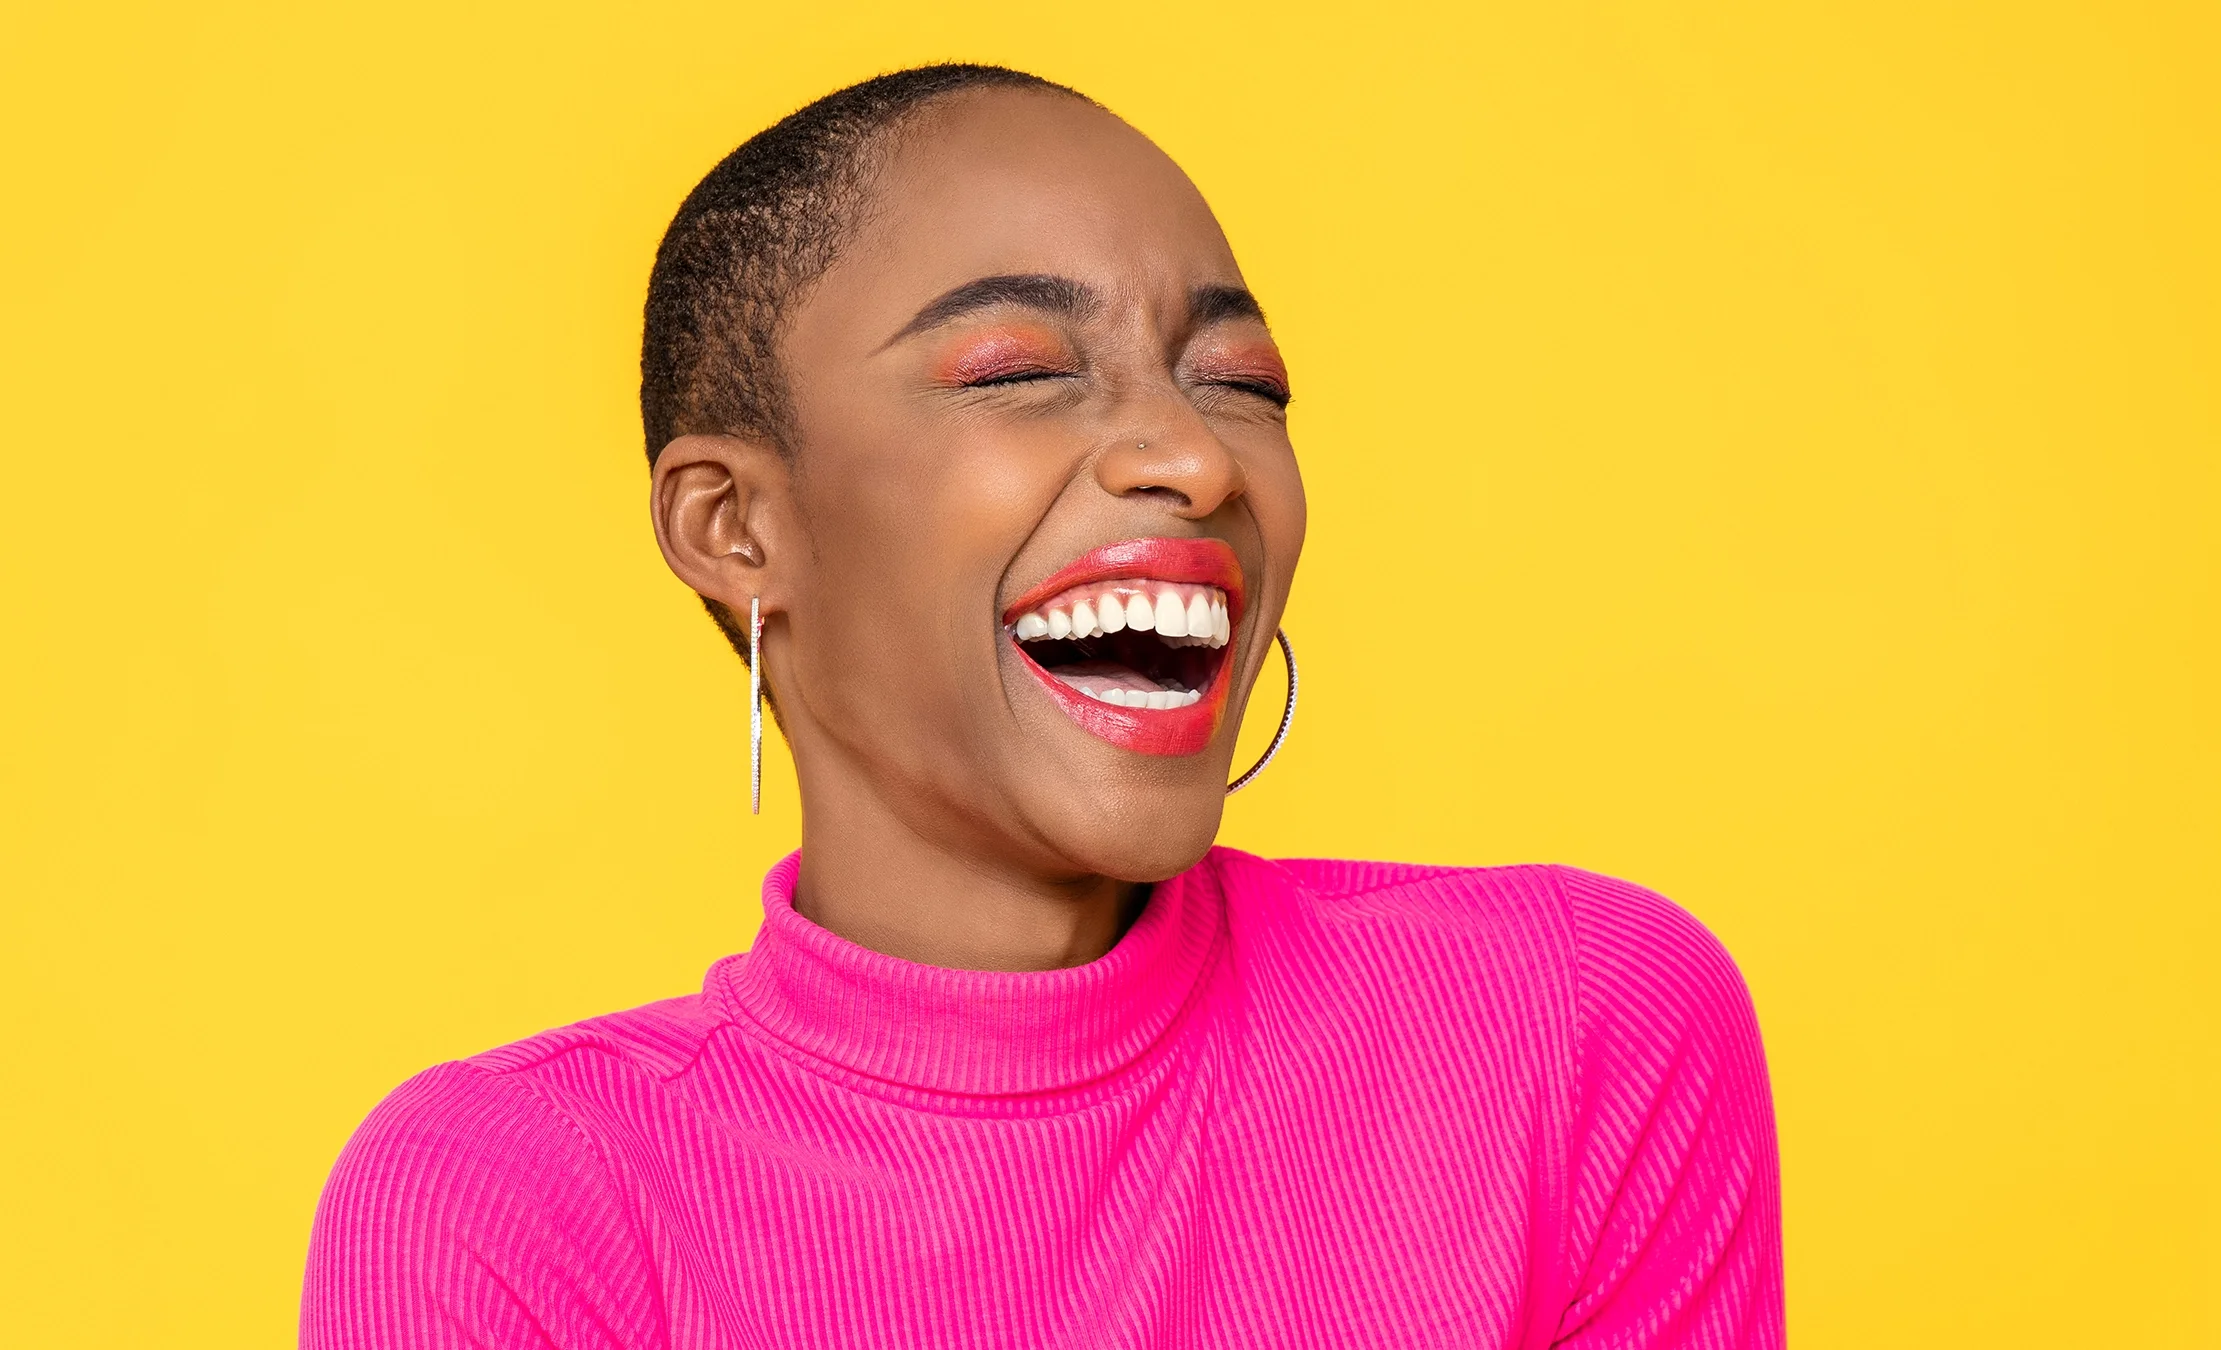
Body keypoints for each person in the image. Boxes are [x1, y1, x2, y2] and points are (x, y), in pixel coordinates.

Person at [299, 63, 1782, 1348]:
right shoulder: (514, 1212)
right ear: (736, 526)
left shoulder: (1571, 1034)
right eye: (1017, 368)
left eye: (1241, 380)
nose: (1194, 457)